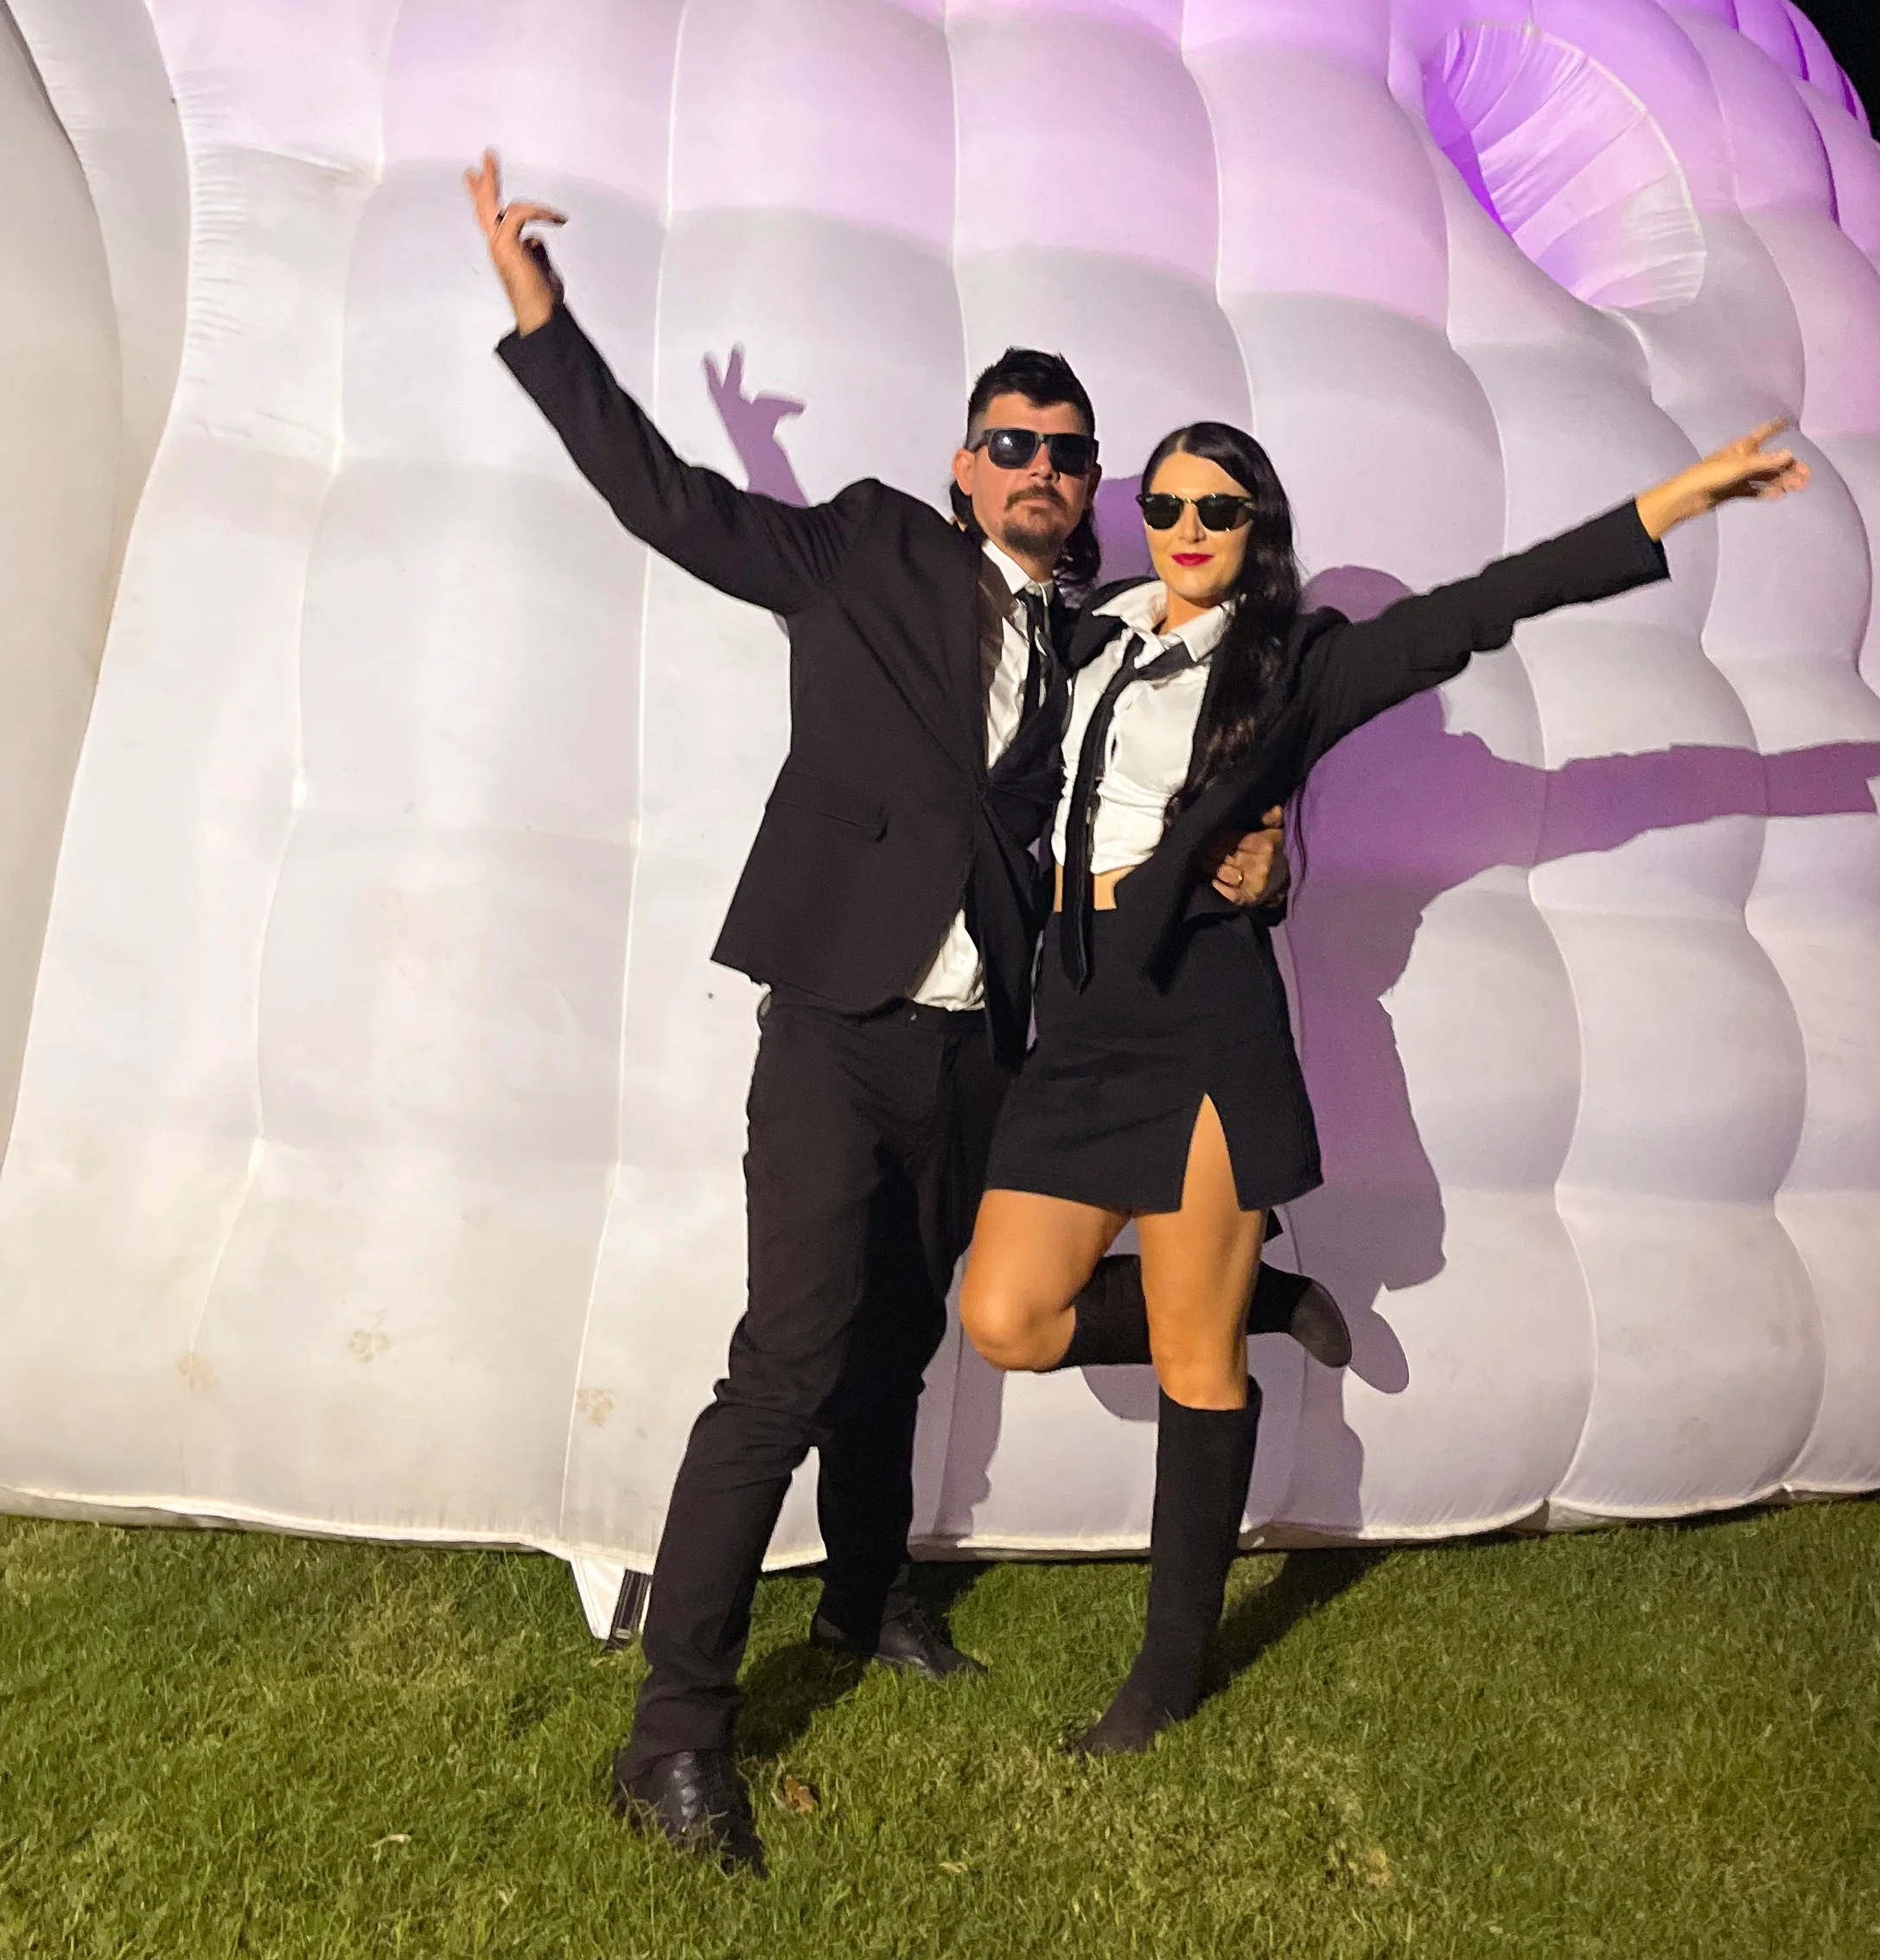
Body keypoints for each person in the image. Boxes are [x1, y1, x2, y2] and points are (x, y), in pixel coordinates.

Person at [462, 154, 1316, 1873]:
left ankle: (864, 1604)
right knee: (781, 1364)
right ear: (959, 461)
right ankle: (674, 1734)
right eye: (1011, 442)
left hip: (979, 1049)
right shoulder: (863, 548)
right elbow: (676, 506)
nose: (1042, 472)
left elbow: (1169, 804)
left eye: (1070, 457)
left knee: (897, 1341)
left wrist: (1263, 862)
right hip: (836, 1023)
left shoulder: (1097, 650)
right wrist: (546, 329)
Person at [962, 412, 1809, 1754]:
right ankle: (1268, 1293)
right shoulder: (1095, 629)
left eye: (1219, 512)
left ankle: (1167, 1669)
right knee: (1005, 1313)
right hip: (1074, 1035)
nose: (1187, 530)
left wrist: (1677, 501)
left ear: (1260, 532)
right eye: (1171, 506)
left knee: (1193, 1356)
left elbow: (1486, 609)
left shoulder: (1295, 665)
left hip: (1197, 1033)